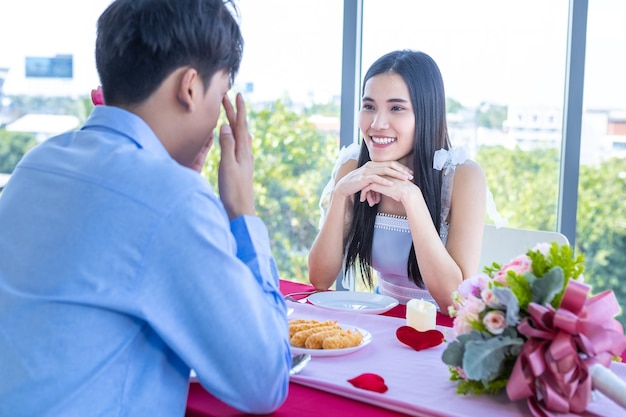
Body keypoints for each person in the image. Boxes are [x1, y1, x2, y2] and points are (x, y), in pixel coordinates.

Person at [0, 1, 291, 416]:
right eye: (221, 94)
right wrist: (243, 210)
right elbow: (264, 382)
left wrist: (177, 177)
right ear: (189, 87)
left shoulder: (37, 164)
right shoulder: (173, 199)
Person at [309, 49, 498, 314]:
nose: (377, 123)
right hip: (381, 320)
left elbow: (454, 301)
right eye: (369, 106)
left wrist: (412, 199)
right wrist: (340, 196)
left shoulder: (463, 176)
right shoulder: (354, 168)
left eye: (396, 108)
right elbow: (319, 279)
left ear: (426, 114)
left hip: (440, 331)